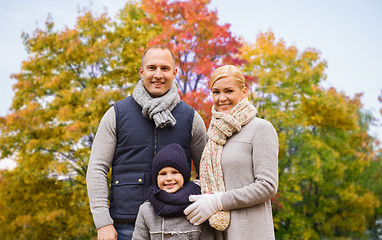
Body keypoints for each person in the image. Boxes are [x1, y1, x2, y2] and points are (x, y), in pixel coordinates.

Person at [86, 45, 207, 240]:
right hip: (125, 226)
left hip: (178, 225)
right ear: (142, 72)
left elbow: (209, 172)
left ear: (174, 73)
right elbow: (97, 169)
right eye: (152, 68)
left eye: (165, 68)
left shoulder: (191, 118)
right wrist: (103, 222)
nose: (158, 74)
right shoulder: (116, 114)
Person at [184, 65, 279, 239]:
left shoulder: (261, 129)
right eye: (216, 92)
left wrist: (218, 201)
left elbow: (267, 186)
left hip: (250, 232)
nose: (222, 98)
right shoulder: (213, 135)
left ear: (243, 92)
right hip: (216, 232)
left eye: (228, 91)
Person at [132, 143, 214, 239]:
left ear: (184, 176)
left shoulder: (198, 205)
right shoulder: (146, 210)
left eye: (175, 172)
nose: (169, 178)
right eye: (163, 174)